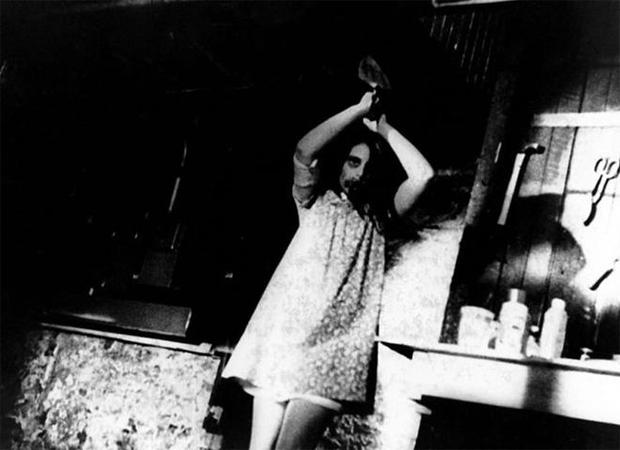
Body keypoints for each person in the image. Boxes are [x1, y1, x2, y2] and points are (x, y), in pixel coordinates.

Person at [222, 90, 434, 450]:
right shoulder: (314, 201)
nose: (359, 173)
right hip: (283, 340)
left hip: (333, 352)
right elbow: (305, 151)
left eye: (368, 168)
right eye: (353, 162)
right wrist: (357, 110)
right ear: (341, 165)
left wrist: (383, 128)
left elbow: (423, 175)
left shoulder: (381, 219)